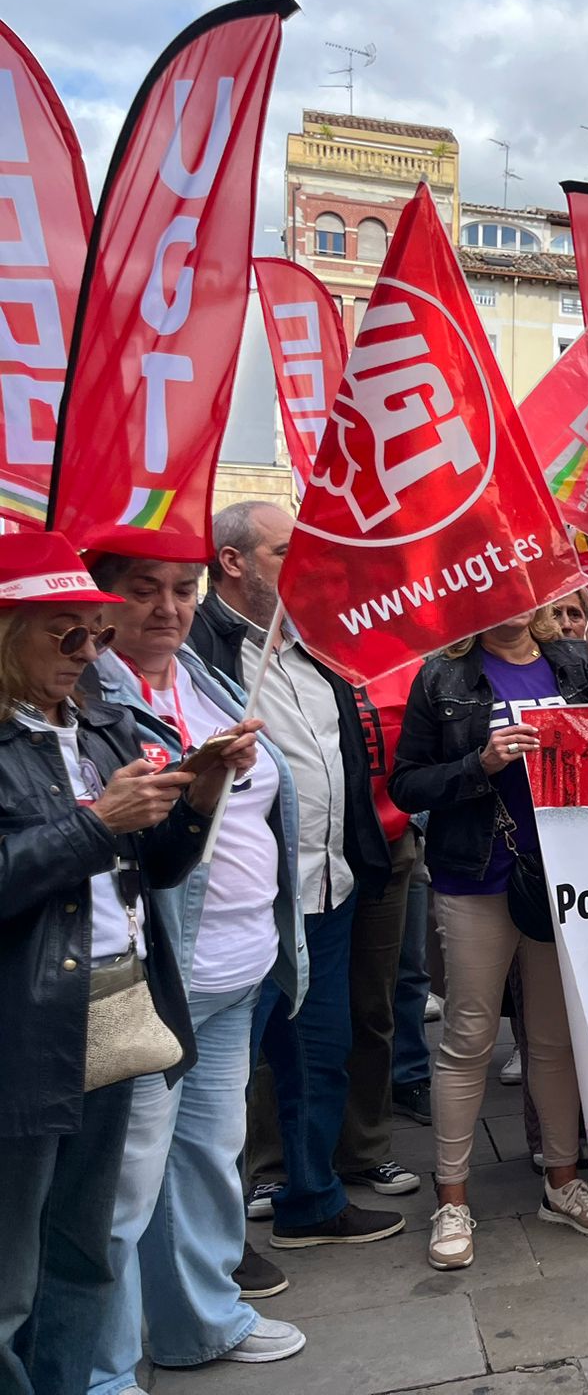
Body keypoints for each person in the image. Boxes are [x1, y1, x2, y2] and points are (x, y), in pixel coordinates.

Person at [0, 532, 251, 1393]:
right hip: (27, 1033)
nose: (84, 653)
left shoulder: (100, 726)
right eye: (62, 633)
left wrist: (204, 788)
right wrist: (95, 824)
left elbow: (159, 870)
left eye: (93, 635)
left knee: (83, 1251)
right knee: (9, 1278)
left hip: (117, 1012)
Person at [86, 553, 310, 1383]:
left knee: (207, 1158)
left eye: (182, 592)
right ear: (99, 601)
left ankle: (201, 1321)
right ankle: (99, 1369)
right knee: (121, 1191)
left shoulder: (199, 676)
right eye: (142, 592)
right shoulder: (89, 700)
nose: (167, 610)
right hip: (149, 988)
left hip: (234, 970)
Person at [388, 605, 588, 1271]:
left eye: (522, 587)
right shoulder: (443, 676)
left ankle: (561, 1181)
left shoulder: (575, 663)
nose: (512, 600)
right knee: (469, 1037)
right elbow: (407, 781)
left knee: (553, 1040)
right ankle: (452, 1197)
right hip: (478, 877)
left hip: (566, 877)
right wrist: (480, 762)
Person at [191, 501, 406, 1249]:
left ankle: (313, 1199)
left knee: (321, 1052)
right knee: (221, 1082)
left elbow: (342, 762)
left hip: (332, 890)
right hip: (247, 906)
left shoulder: (314, 650)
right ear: (233, 561)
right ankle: (215, 1251)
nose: (303, 566)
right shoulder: (199, 655)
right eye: (285, 551)